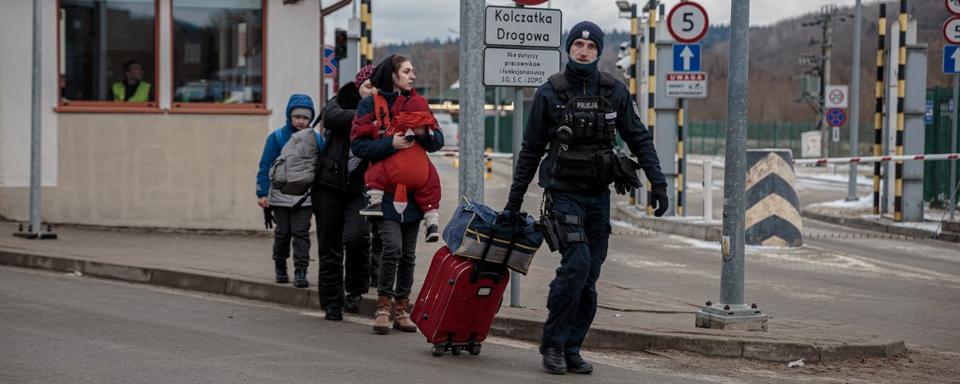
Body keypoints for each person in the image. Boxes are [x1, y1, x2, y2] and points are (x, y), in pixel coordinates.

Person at [502, 21, 669, 375]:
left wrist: (659, 182)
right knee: (575, 266)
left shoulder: (615, 91)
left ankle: (571, 346)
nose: (583, 50)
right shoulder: (549, 93)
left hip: (597, 196)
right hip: (563, 194)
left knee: (589, 278)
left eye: (591, 47)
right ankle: (553, 344)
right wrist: (513, 204)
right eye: (577, 44)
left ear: (599, 51)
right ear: (568, 48)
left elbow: (640, 138)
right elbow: (530, 152)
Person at [351, 55, 444, 334]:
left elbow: (437, 141)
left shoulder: (419, 103)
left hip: (415, 194)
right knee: (392, 247)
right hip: (385, 193)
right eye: (407, 71)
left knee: (409, 255)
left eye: (412, 71)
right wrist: (389, 143)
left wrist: (423, 133)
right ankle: (383, 307)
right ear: (393, 75)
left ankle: (402, 309)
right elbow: (358, 146)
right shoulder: (370, 105)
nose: (412, 76)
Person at [314, 65, 377, 321]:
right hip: (328, 185)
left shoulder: (384, 110)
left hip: (359, 189)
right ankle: (332, 302)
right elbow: (331, 118)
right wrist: (367, 117)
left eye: (377, 87)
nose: (372, 91)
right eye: (368, 86)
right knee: (329, 244)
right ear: (358, 86)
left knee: (358, 239)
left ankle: (355, 289)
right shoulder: (339, 102)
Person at [257, 94, 317, 289]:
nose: (301, 121)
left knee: (301, 233)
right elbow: (266, 165)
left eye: (305, 117)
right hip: (279, 195)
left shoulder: (316, 139)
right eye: (297, 116)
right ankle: (280, 265)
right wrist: (262, 193)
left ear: (311, 119)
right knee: (282, 233)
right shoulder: (277, 137)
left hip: (304, 197)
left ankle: (301, 270)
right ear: (289, 116)